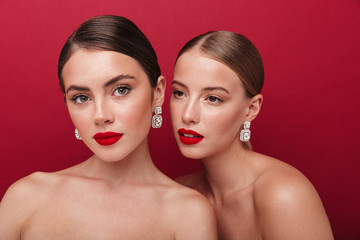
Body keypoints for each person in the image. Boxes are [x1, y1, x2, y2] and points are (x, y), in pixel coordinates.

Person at [0, 16, 217, 239]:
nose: (101, 116)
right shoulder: (26, 197)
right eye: (82, 97)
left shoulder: (188, 213)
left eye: (121, 90)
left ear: (158, 93)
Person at [170, 31, 334, 240]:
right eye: (180, 93)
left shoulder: (284, 195)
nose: (188, 115)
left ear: (251, 109)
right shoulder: (178, 193)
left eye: (213, 98)